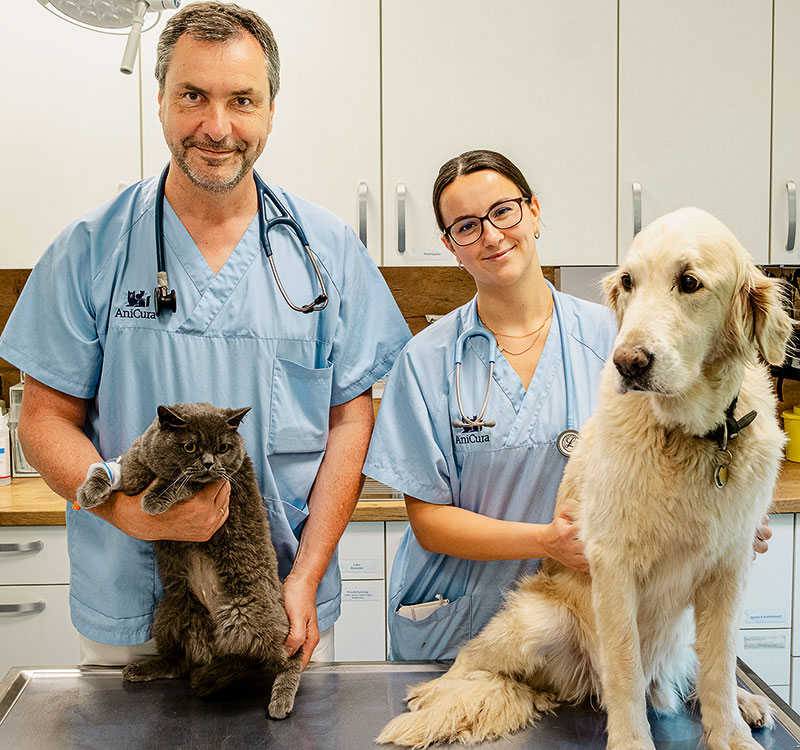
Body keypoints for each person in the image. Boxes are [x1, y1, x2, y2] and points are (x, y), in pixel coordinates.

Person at [0, 2, 409, 667]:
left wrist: (305, 576)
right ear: (159, 101)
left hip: (279, 605)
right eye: (193, 95)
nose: (216, 128)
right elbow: (44, 421)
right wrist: (129, 513)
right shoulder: (90, 249)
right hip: (132, 609)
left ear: (271, 110)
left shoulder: (325, 251)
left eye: (242, 100)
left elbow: (349, 422)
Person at [363, 149, 620, 661]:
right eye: (467, 226)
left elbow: (667, 458)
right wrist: (547, 541)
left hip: (580, 625)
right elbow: (430, 522)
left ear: (534, 212)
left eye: (503, 211)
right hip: (458, 623)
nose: (492, 235)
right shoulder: (428, 358)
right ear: (451, 247)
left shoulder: (613, 338)